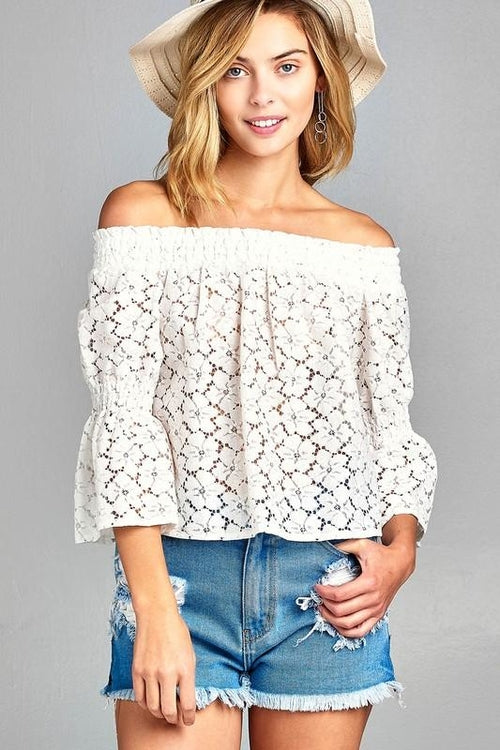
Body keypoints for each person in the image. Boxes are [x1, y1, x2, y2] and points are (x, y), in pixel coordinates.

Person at [73, 1, 438, 748]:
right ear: (206, 86)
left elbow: (389, 428)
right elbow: (125, 422)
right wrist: (155, 609)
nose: (262, 94)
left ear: (320, 82)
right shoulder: (143, 216)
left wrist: (400, 553)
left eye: (287, 66)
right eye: (235, 70)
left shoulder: (363, 247)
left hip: (327, 586)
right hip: (181, 580)